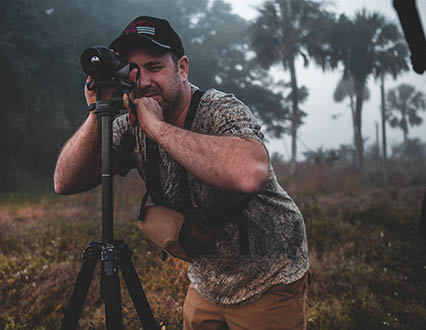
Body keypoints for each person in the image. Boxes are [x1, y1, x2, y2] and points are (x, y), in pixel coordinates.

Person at [54, 15, 309, 330]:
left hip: (269, 278)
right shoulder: (129, 125)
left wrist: (157, 128)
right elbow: (64, 182)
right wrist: (97, 114)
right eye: (133, 70)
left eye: (155, 67)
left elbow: (251, 174)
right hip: (207, 281)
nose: (143, 81)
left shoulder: (220, 110)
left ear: (182, 68)